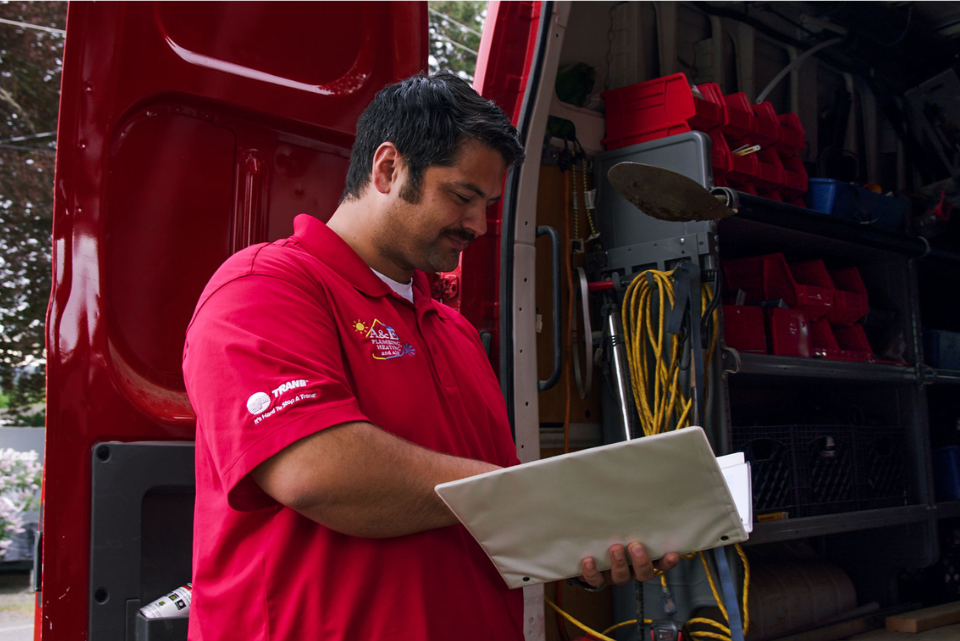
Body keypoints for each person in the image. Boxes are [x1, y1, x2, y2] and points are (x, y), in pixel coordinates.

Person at [182, 72, 678, 641]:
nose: (479, 225)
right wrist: (535, 498)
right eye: (463, 196)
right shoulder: (265, 287)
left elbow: (497, 513)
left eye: (488, 204)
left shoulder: (455, 333)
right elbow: (314, 472)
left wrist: (592, 545)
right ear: (388, 168)